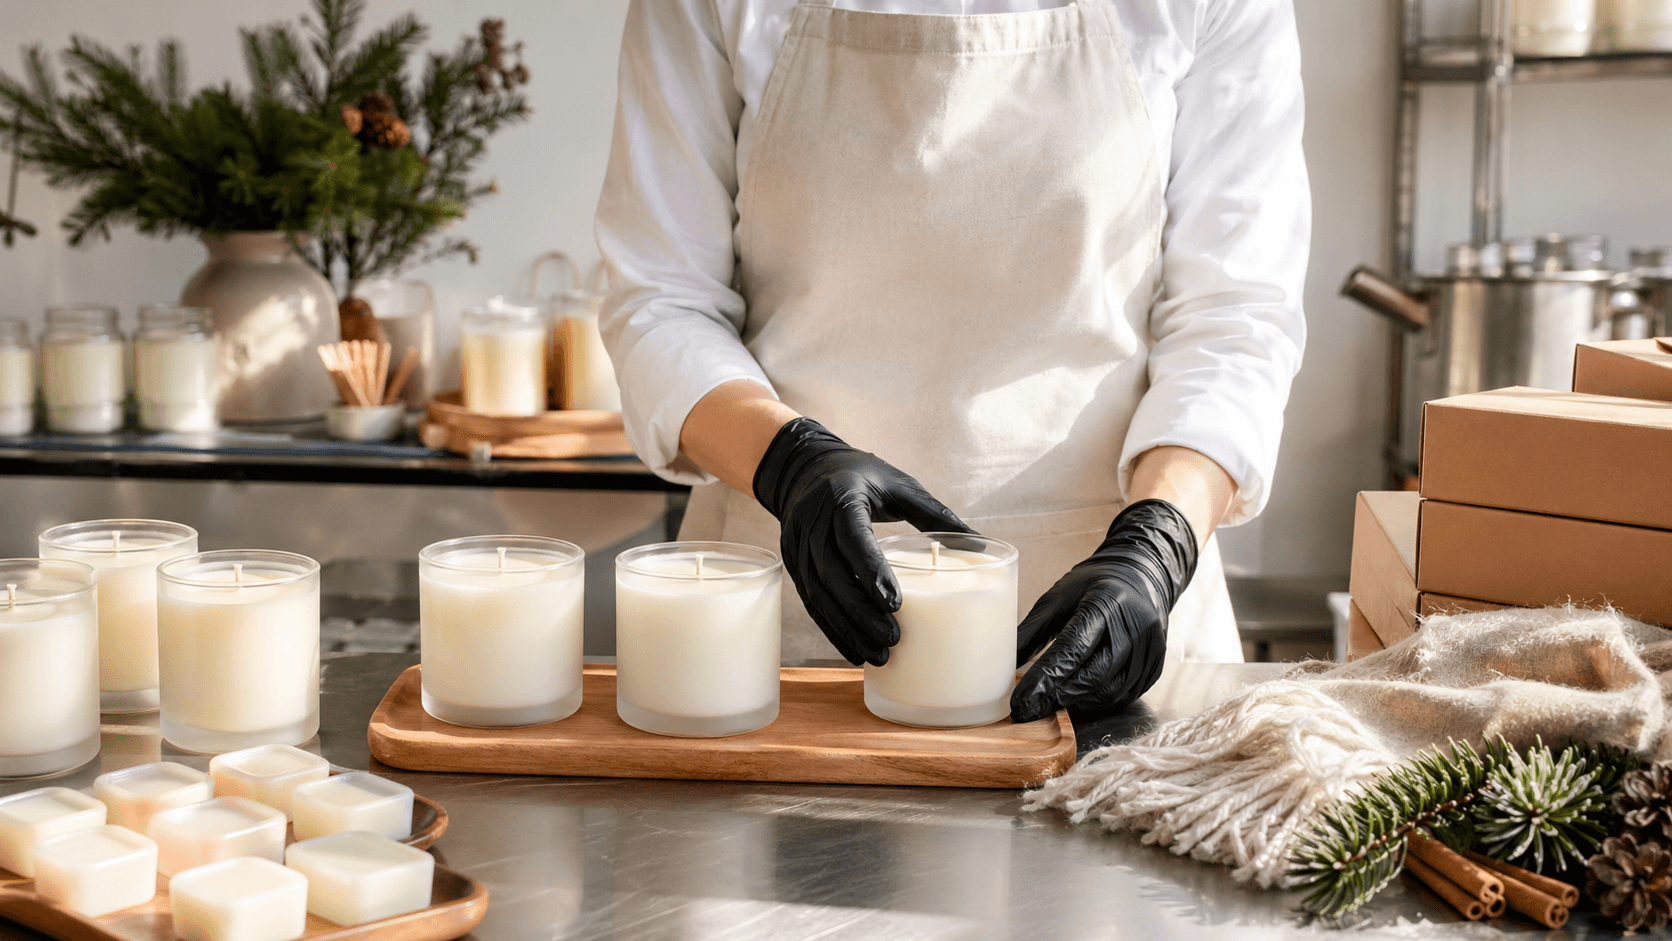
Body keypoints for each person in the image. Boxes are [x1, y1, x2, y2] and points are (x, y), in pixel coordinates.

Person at [595, 0, 1309, 722]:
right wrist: (788, 461)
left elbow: (1235, 316)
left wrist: (1157, 544)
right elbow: (661, 298)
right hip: (790, 626)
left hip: (1115, 632)